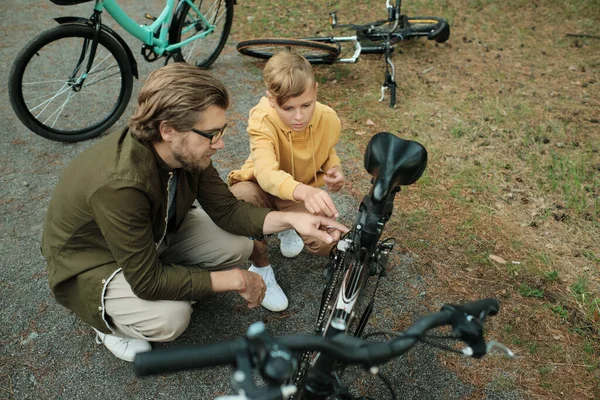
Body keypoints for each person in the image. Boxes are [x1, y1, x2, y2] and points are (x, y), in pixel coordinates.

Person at [41, 63, 347, 363]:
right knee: (171, 317)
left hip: (150, 237)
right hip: (94, 262)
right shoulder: (121, 185)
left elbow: (228, 211)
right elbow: (147, 281)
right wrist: (237, 280)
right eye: (212, 133)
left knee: (238, 245)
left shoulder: (183, 153)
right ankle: (108, 324)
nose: (221, 142)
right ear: (169, 130)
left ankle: (172, 275)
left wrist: (294, 219)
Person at [227, 52, 345, 313]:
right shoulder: (261, 118)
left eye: (306, 105)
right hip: (261, 188)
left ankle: (286, 226)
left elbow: (327, 149)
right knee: (241, 200)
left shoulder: (328, 118)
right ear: (271, 100)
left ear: (315, 90)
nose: (299, 117)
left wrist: (333, 169)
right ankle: (261, 268)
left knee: (327, 240)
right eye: (288, 108)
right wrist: (304, 192)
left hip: (295, 195)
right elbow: (267, 174)